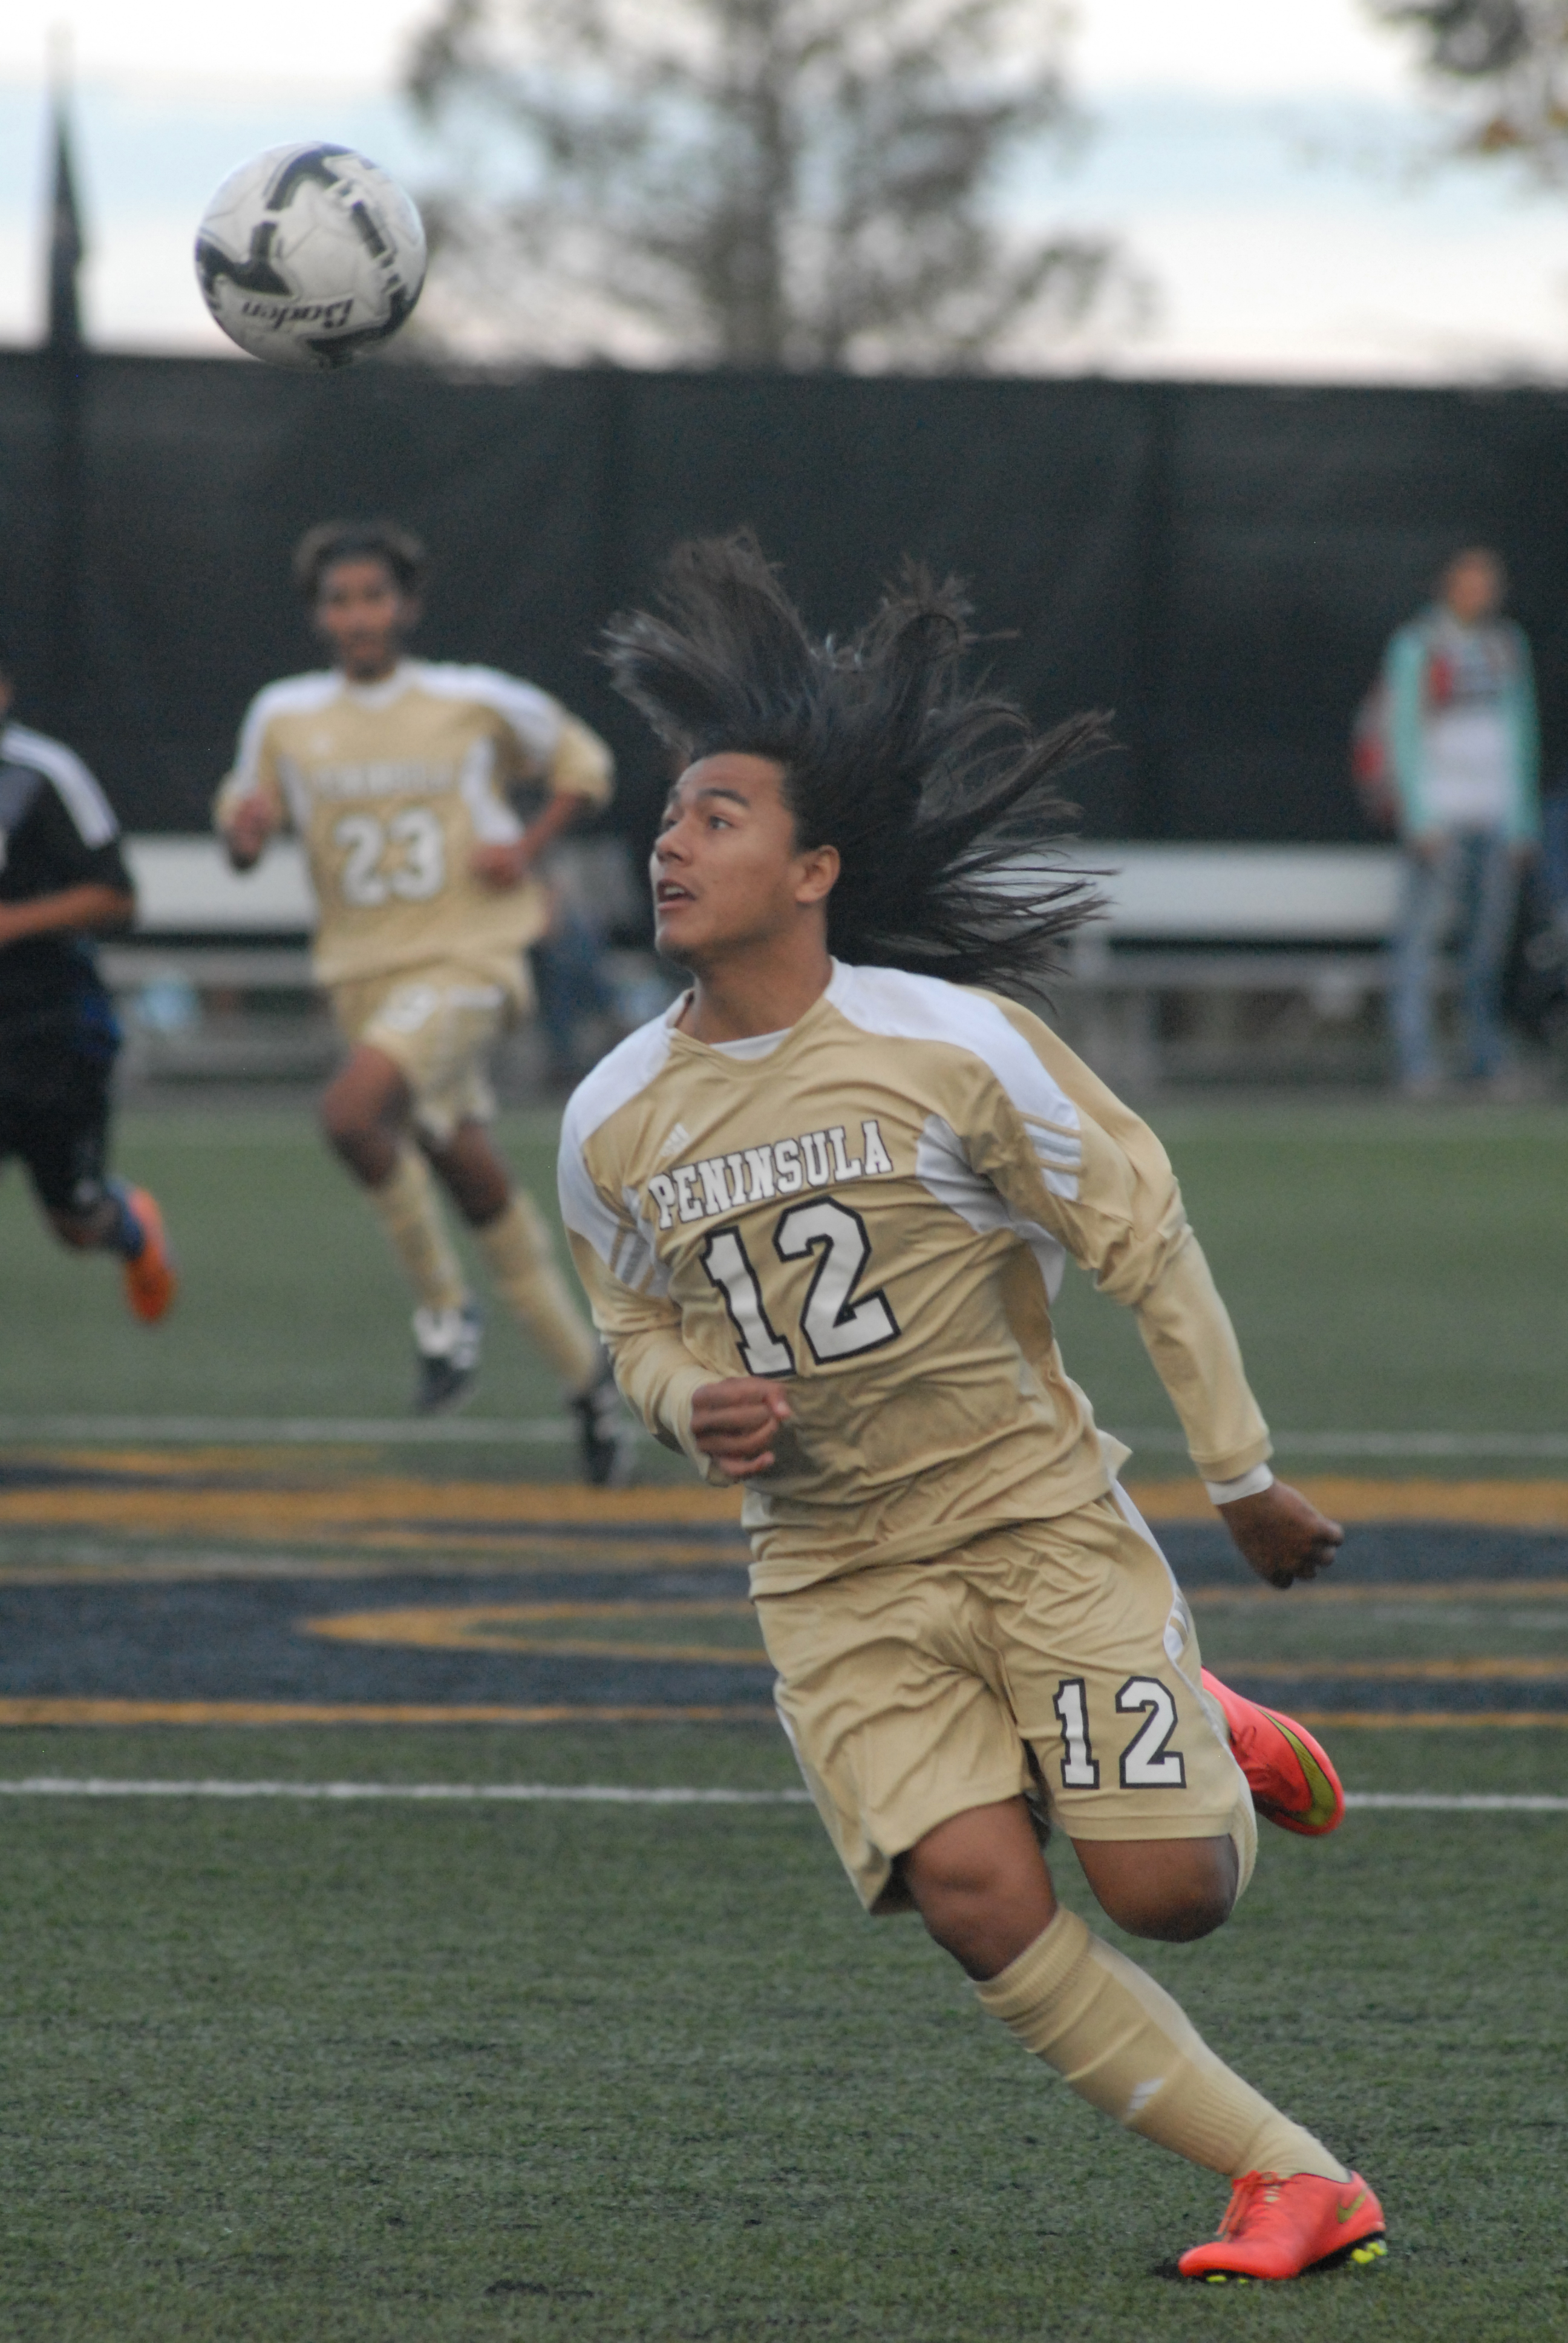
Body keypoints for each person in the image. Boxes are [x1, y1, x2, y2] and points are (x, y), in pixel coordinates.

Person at [558, 538, 1386, 2284]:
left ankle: (1206, 1719)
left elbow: (1141, 1236)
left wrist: (1239, 1477)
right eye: (666, 818)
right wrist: (679, 1392)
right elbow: (624, 1305)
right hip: (835, 1578)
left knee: (1168, 1892)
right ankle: (1293, 2179)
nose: (671, 842)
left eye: (716, 815)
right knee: (976, 1899)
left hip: (1029, 1525)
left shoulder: (957, 1047)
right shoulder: (613, 1115)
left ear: (816, 869)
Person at [215, 520, 632, 1483]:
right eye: (339, 600)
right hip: (363, 979)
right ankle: (589, 1387)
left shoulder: (470, 699)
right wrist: (245, 833)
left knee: (351, 1115)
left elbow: (586, 766)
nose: (357, 614)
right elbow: (248, 831)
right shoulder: (283, 714)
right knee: (468, 1174)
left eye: (373, 596)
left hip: (467, 961)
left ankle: (446, 1315)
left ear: (407, 606)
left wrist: (523, 853)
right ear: (320, 616)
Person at [0, 648, 177, 1320]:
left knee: (75, 1218)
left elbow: (118, 899)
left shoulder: (43, 775)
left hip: (51, 1034)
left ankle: (132, 1228)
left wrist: (16, 921)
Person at [1384, 546, 1540, 1095]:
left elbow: (1521, 732)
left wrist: (1522, 820)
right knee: (1421, 946)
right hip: (1441, 820)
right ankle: (1416, 1061)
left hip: (1494, 817)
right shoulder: (1418, 646)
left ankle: (1485, 1057)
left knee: (1488, 951)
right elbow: (1401, 731)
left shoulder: (1505, 646)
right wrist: (1420, 815)